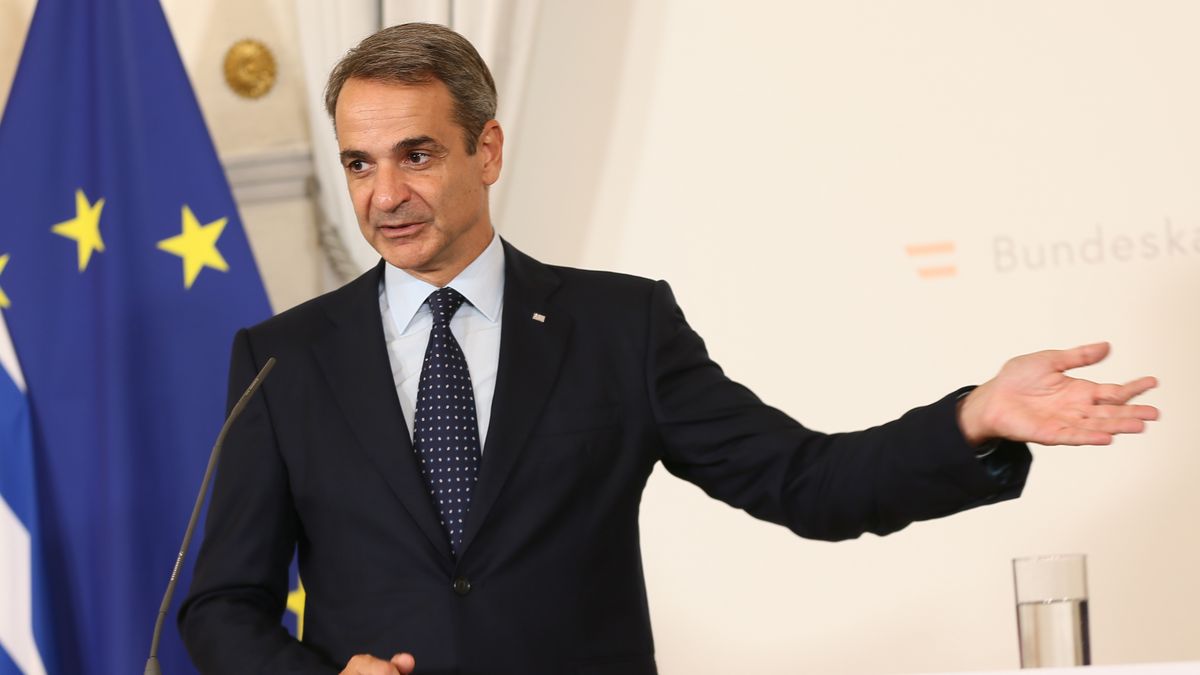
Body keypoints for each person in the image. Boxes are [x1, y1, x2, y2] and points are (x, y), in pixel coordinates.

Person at [177, 23, 1159, 675]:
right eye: (359, 163)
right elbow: (221, 606)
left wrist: (969, 419)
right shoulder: (282, 360)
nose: (384, 195)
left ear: (488, 149)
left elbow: (805, 482)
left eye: (417, 154)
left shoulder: (619, 327)